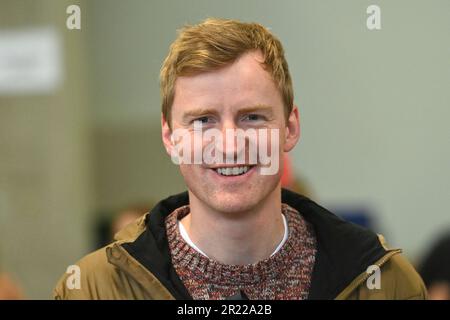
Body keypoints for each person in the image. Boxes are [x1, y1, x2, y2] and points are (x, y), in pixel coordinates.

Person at [54, 18, 426, 300]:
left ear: (290, 128)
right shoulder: (96, 289)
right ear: (170, 138)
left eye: (252, 117)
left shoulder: (384, 283)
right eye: (203, 121)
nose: (230, 145)